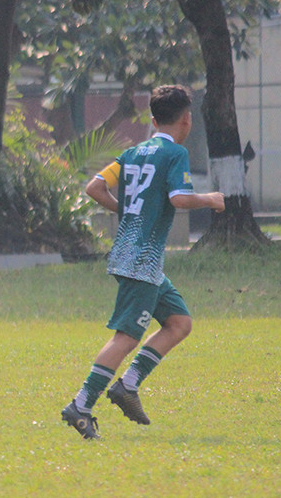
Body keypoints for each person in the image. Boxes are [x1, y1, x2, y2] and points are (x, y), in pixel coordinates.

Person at [61, 84, 224, 440]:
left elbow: (93, 187)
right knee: (125, 338)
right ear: (187, 119)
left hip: (135, 258)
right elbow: (180, 199)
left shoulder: (133, 152)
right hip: (140, 261)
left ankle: (127, 386)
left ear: (152, 120)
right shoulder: (175, 153)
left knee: (179, 323)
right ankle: (81, 405)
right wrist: (211, 198)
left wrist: (129, 210)